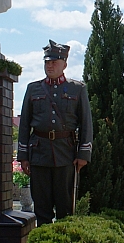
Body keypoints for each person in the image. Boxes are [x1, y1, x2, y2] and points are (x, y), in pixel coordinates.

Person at [17, 40, 93, 226]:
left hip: (65, 153)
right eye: (47, 62)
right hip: (39, 153)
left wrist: (83, 154)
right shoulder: (33, 88)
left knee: (65, 207)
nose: (49, 65)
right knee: (41, 206)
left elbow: (85, 123)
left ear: (64, 64)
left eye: (54, 62)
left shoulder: (77, 88)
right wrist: (23, 156)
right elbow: (25, 124)